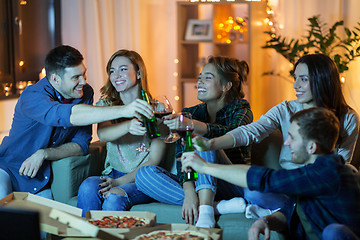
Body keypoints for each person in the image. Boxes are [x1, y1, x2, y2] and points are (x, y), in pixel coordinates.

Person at [192, 53, 359, 212]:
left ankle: (281, 212)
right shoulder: (285, 109)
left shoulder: (348, 118)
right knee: (253, 192)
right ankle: (276, 212)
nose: (295, 85)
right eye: (295, 78)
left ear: (322, 81)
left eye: (303, 79)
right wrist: (212, 143)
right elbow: (250, 131)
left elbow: (340, 165)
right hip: (285, 186)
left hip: (318, 188)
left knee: (349, 172)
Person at [0, 45, 154, 200]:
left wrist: (44, 153)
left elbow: (81, 145)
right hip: (8, 170)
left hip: (39, 181)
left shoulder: (84, 92)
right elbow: (66, 115)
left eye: (83, 74)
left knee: (50, 221)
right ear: (55, 79)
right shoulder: (32, 96)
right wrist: (124, 110)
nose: (83, 81)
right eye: (75, 77)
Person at [181, 107, 360, 240]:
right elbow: (290, 211)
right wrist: (265, 222)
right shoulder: (312, 173)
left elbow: (264, 178)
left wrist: (205, 167)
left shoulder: (328, 174)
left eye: (293, 137)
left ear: (312, 147)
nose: (287, 143)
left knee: (334, 232)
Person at [136, 56, 253, 228]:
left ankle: (205, 213)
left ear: (226, 86)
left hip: (231, 183)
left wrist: (193, 126)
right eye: (199, 78)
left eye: (207, 78)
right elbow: (181, 158)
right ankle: (215, 206)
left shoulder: (242, 110)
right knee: (143, 175)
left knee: (203, 140)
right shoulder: (190, 113)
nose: (199, 82)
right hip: (200, 184)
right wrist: (189, 192)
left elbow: (232, 135)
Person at [76, 49, 168, 216]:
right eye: (112, 71)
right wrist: (128, 126)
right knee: (88, 186)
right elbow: (103, 134)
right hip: (112, 172)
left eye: (123, 69)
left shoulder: (157, 110)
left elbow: (154, 160)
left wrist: (119, 182)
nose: (116, 75)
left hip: (143, 179)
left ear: (139, 73)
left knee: (113, 197)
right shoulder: (106, 104)